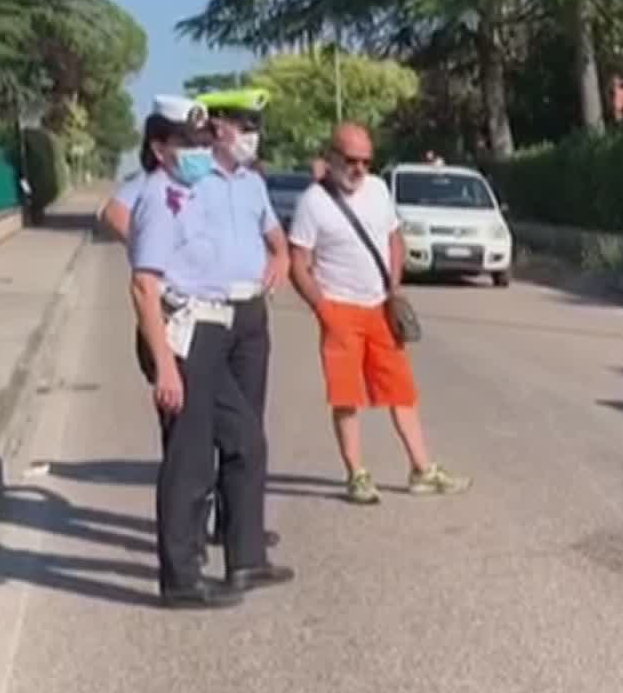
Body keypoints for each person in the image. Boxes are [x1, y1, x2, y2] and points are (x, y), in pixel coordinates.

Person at [129, 97, 293, 608]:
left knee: (245, 439)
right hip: (183, 335)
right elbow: (143, 286)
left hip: (217, 322)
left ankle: (245, 559)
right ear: (159, 148)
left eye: (203, 143)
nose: (199, 153)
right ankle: (181, 578)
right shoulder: (160, 198)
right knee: (190, 459)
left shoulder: (194, 192)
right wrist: (164, 368)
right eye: (187, 144)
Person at [286, 122, 469, 504]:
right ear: (331, 158)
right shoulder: (313, 203)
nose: (359, 170)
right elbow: (298, 262)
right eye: (351, 160)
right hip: (339, 308)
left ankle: (422, 469)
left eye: (366, 162)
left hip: (379, 307)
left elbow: (393, 238)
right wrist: (322, 308)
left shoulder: (378, 191)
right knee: (346, 396)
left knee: (401, 391)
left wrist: (394, 288)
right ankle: (357, 474)